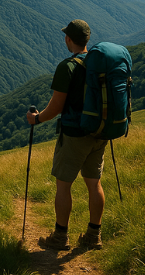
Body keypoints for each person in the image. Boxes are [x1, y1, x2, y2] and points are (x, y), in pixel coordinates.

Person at [26, 19, 106, 251]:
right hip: (99, 131)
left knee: (63, 185)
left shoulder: (67, 67)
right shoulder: (99, 63)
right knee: (94, 184)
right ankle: (94, 235)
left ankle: (60, 237)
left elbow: (56, 107)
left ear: (68, 39)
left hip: (74, 134)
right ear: (87, 39)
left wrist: (36, 119)